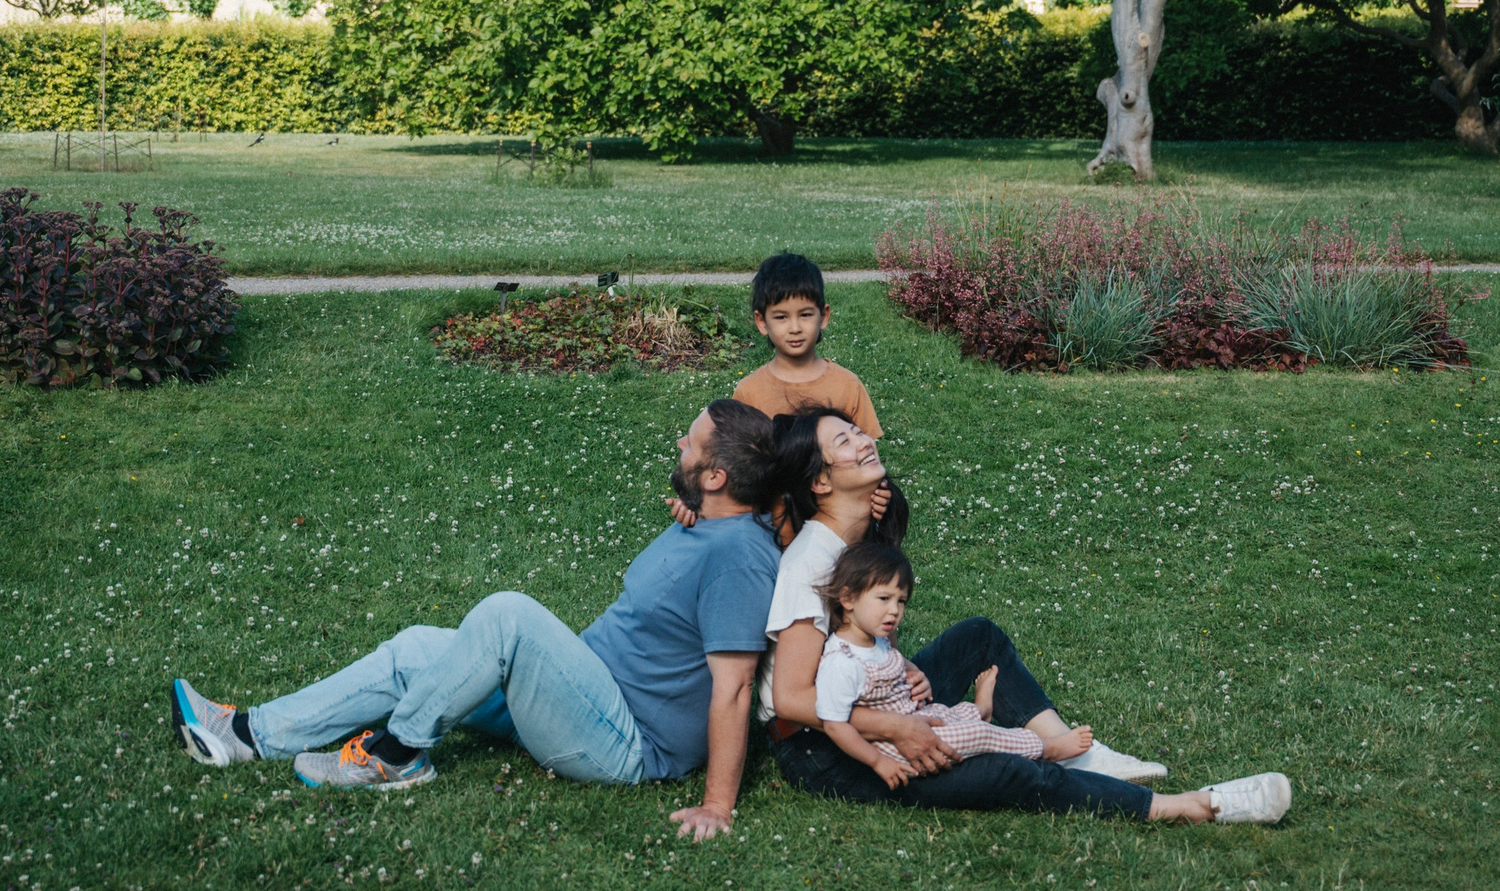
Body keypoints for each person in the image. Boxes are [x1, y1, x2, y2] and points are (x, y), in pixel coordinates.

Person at [168, 399, 783, 841]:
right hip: (585, 694)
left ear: (717, 476)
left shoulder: (737, 558)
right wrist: (696, 505)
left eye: (691, 442)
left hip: (623, 742)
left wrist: (718, 805)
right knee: (415, 650)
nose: (679, 440)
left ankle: (398, 754)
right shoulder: (713, 520)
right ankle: (247, 735)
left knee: (507, 615)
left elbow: (731, 687)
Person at [764, 406, 1291, 826]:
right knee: (1010, 775)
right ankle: (1194, 805)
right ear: (820, 483)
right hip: (824, 747)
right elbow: (790, 698)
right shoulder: (811, 562)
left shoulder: (857, 540)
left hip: (872, 702)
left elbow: (854, 642)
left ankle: (1076, 753)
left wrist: (900, 668)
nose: (864, 441)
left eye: (859, 431)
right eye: (845, 442)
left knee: (978, 638)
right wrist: (896, 727)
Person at [813, 538, 1093, 782]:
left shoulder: (876, 640)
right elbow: (835, 725)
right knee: (979, 736)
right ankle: (1045, 749)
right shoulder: (842, 662)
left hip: (914, 718)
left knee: (949, 715)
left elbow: (894, 659)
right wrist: (878, 762)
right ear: (848, 599)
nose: (894, 611)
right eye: (884, 598)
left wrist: (912, 671)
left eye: (901, 601)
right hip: (895, 747)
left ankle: (980, 710)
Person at [732, 252, 882, 436]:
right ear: (762, 322)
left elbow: (866, 454)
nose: (795, 328)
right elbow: (739, 458)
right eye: (781, 317)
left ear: (824, 316)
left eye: (805, 315)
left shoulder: (848, 386)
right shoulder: (749, 392)